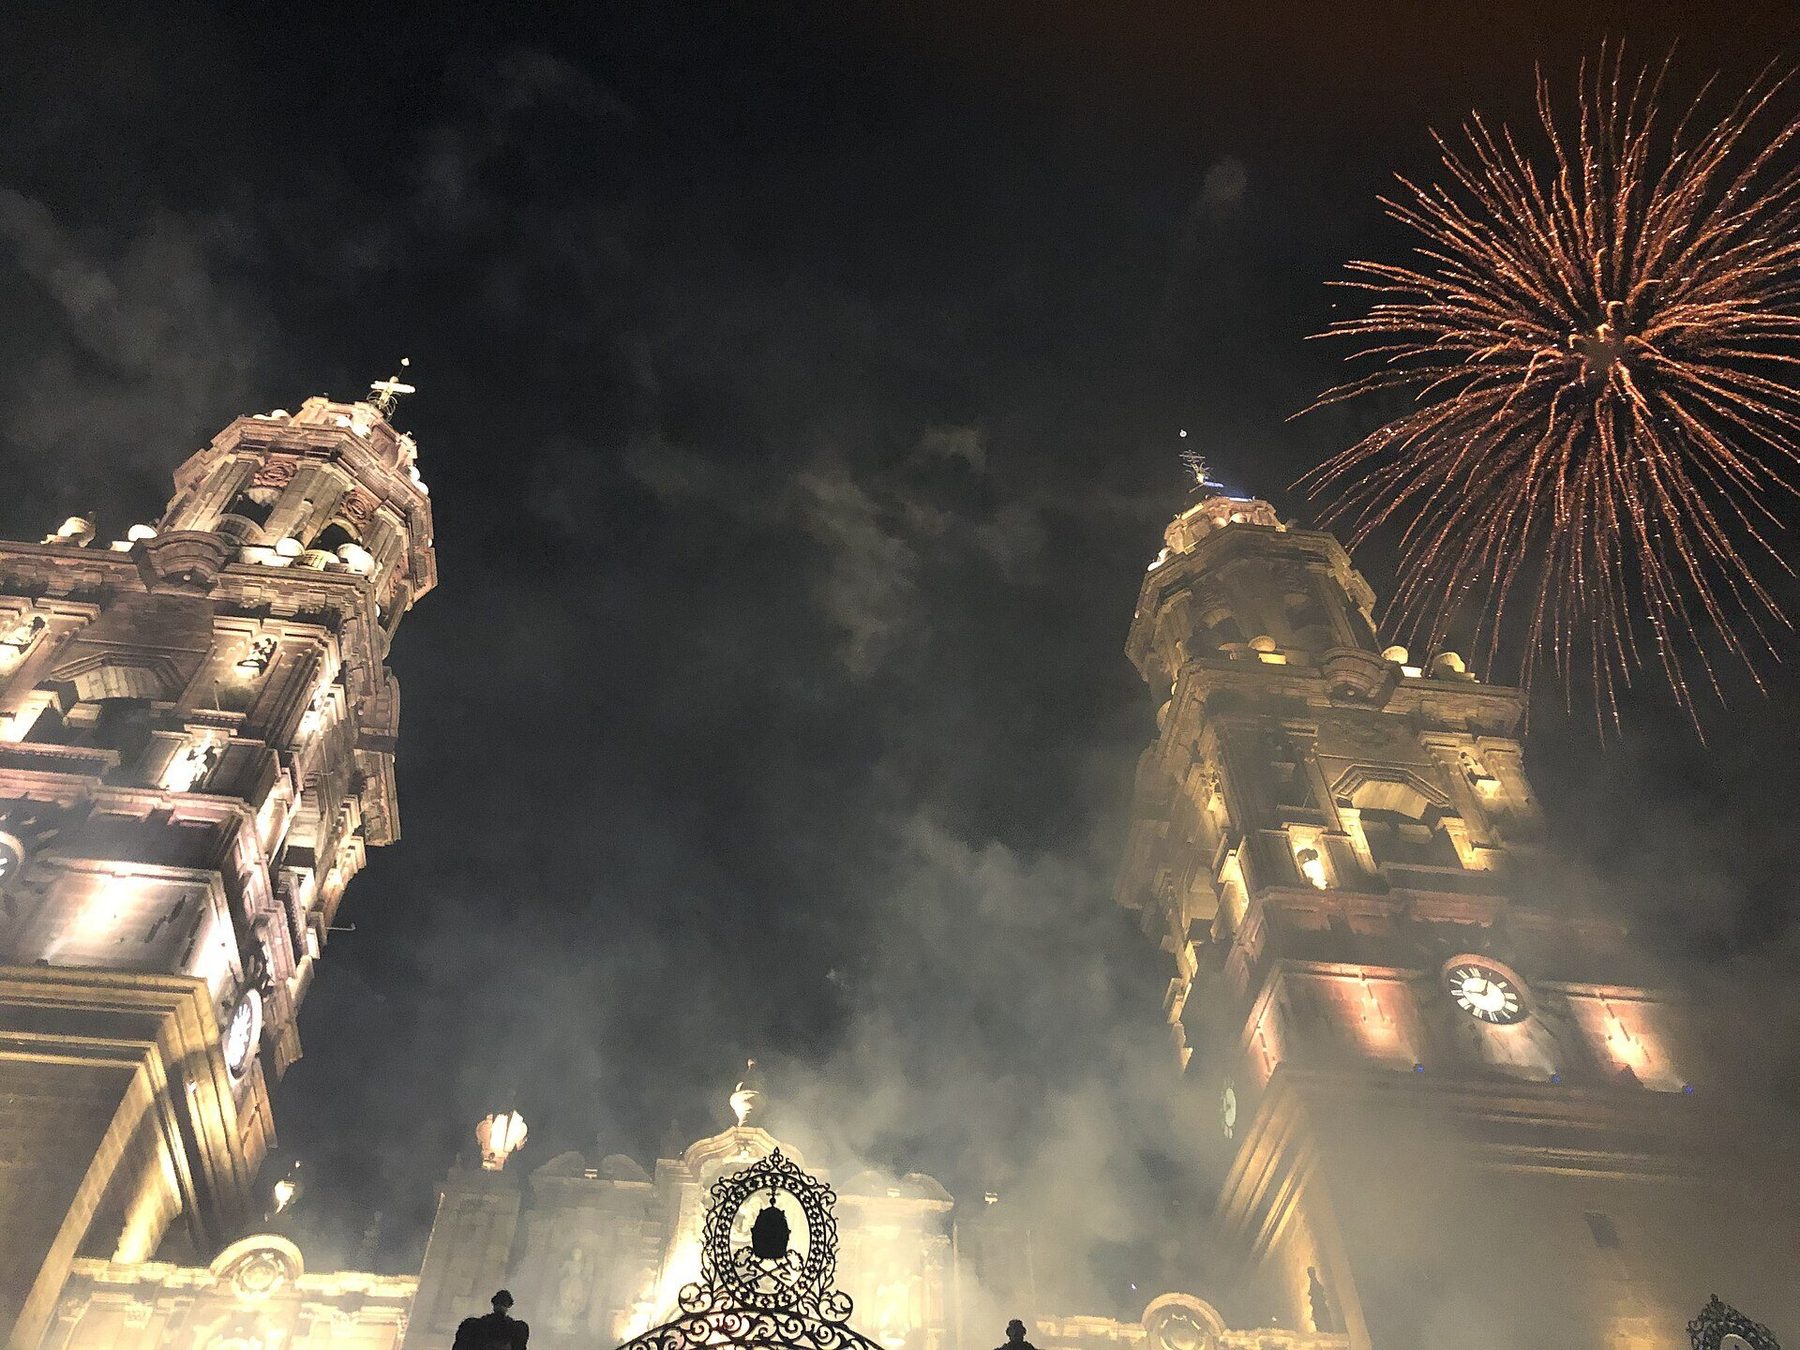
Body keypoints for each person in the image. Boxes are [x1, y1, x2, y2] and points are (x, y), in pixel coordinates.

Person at [455, 1289, 529, 1350]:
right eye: (499, 1303)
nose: (500, 1306)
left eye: (503, 1303)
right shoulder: (475, 1326)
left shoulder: (515, 1329)